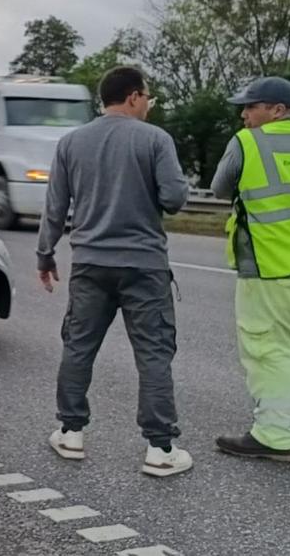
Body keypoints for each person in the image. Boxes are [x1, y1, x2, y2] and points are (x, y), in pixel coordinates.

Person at [37, 66, 193, 477]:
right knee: (153, 354)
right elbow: (175, 198)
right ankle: (160, 449)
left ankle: (71, 432)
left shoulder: (71, 142)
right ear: (134, 97)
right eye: (149, 99)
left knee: (78, 347)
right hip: (144, 265)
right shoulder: (156, 139)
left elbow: (55, 208)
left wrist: (45, 255)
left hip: (90, 263)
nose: (149, 106)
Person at [210, 77, 290, 463]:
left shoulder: (248, 142)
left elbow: (220, 188)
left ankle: (274, 436)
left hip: (272, 265)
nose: (244, 114)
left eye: (251, 106)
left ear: (277, 110)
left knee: (269, 349)